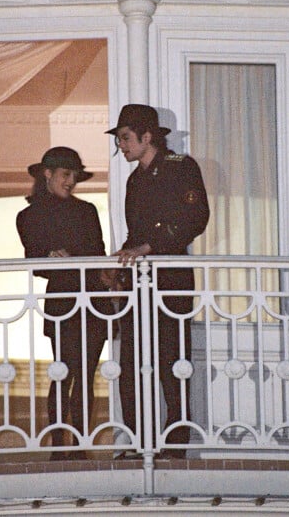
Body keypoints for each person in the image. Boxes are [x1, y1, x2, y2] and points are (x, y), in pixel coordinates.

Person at [103, 104, 209, 459]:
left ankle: (175, 445)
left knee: (172, 362)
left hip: (170, 279)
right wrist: (121, 264)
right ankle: (137, 441)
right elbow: (137, 233)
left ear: (147, 136)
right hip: (138, 283)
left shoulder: (182, 168)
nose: (122, 146)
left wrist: (151, 247)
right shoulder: (134, 179)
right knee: (131, 362)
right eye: (120, 139)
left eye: (126, 138)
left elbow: (196, 218)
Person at [16, 146, 109, 461]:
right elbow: (35, 261)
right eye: (66, 174)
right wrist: (53, 257)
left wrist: (71, 258)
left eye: (74, 176)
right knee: (62, 373)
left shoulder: (87, 211)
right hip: (63, 300)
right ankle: (58, 445)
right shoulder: (28, 215)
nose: (71, 181)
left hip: (94, 299)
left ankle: (80, 445)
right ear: (48, 174)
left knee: (85, 375)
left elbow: (98, 255)